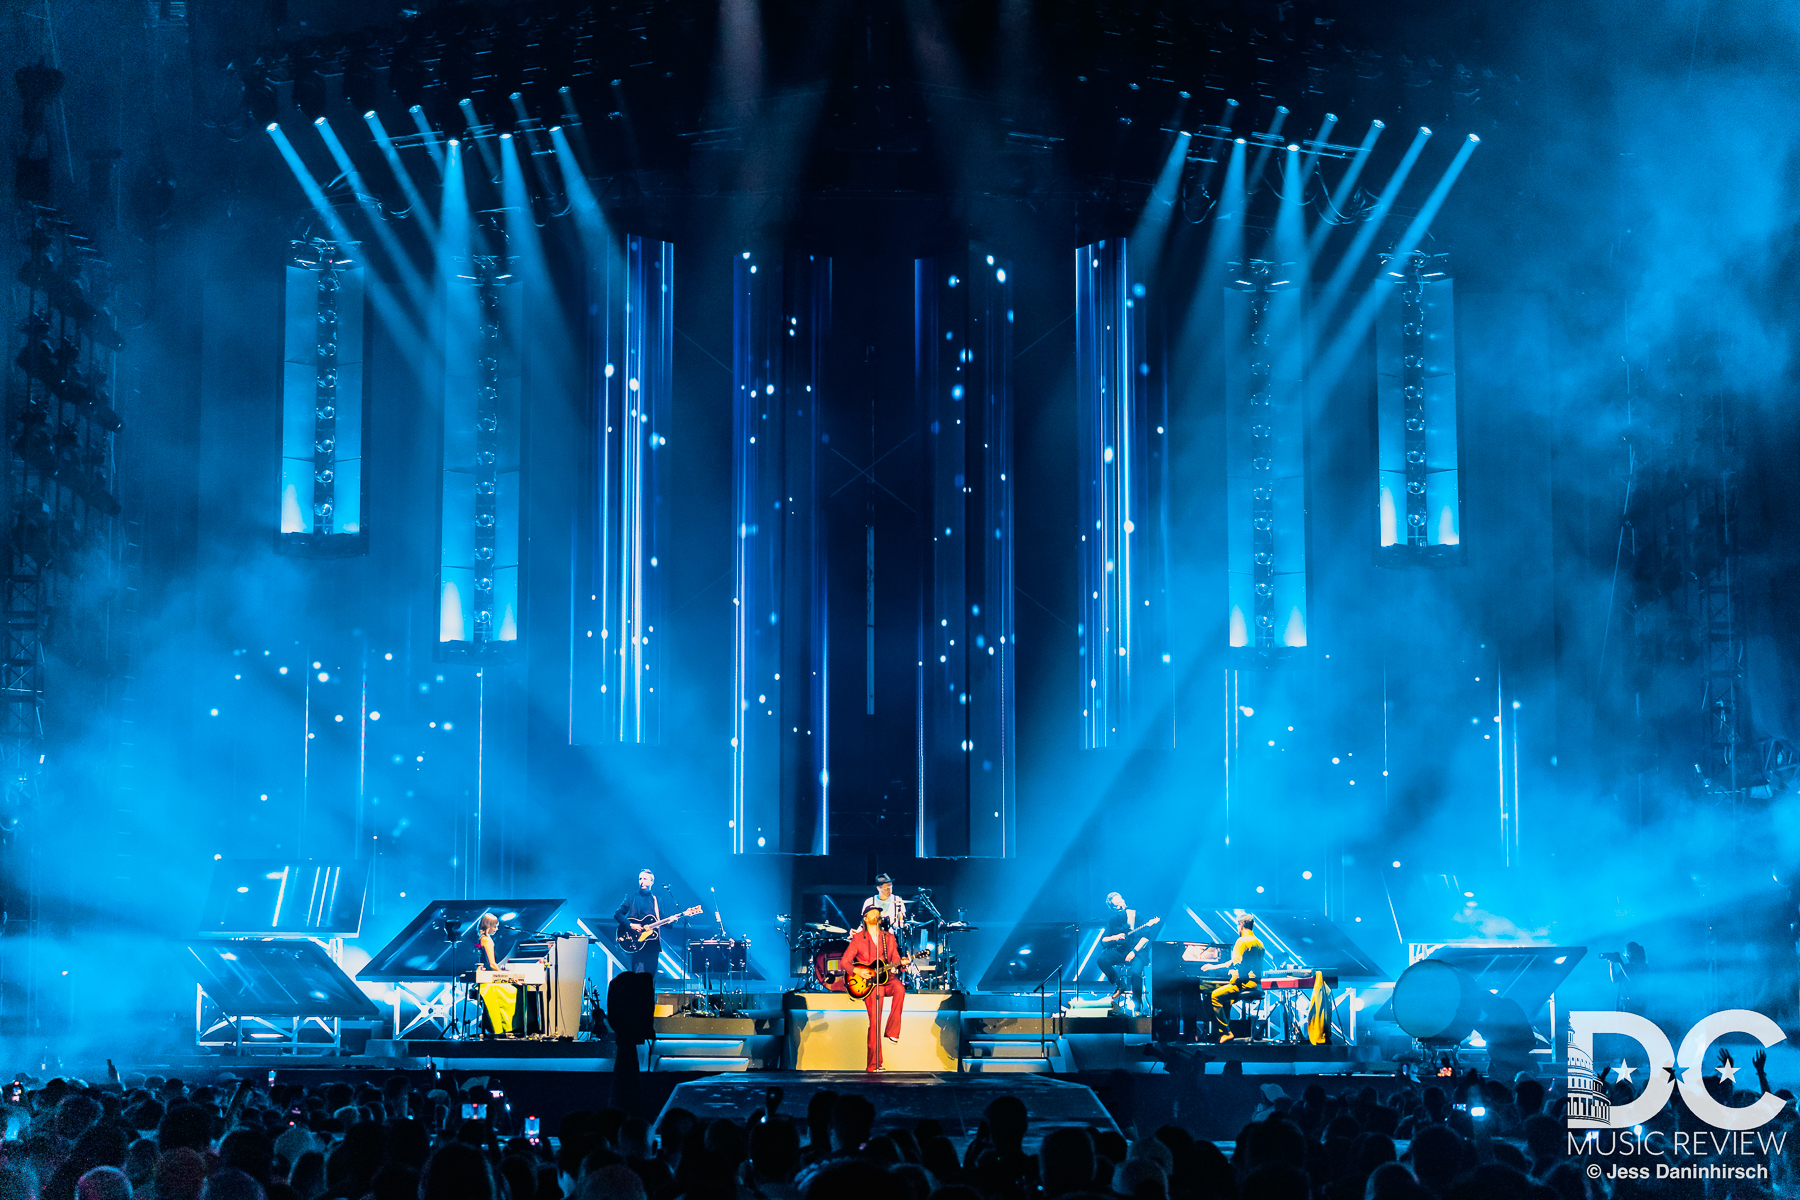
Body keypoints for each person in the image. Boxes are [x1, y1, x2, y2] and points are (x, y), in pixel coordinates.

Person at [842, 903, 906, 1072]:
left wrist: (902, 964)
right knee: (874, 1023)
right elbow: (844, 962)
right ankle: (873, 1065)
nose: (877, 914)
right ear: (865, 918)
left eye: (879, 912)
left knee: (900, 988)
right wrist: (857, 971)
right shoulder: (858, 938)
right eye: (873, 912)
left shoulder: (889, 938)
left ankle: (893, 1031)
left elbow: (895, 958)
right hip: (869, 985)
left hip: (887, 979)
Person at [1207, 912, 1266, 1042]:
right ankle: (1223, 1034)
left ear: (1241, 925)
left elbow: (1236, 962)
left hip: (1245, 984)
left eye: (1237, 926)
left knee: (1215, 996)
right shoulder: (1259, 943)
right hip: (1257, 984)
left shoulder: (1241, 941)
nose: (1237, 929)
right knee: (1226, 999)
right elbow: (1247, 963)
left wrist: (1213, 967)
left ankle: (1226, 1032)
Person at [1096, 892, 1146, 1010]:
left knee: (1135, 973)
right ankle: (1119, 984)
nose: (1120, 906)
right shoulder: (1113, 920)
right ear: (1112, 908)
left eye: (1121, 902)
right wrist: (1115, 937)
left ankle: (1138, 1008)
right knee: (1102, 960)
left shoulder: (1137, 915)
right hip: (1122, 950)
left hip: (1138, 951)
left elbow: (1146, 937)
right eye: (1117, 905)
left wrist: (1133, 951)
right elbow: (1103, 940)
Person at [476, 913, 519, 1037]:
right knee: (512, 991)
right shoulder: (487, 940)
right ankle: (505, 1028)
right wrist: (507, 977)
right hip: (487, 982)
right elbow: (492, 964)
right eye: (495, 926)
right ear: (488, 926)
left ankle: (504, 1028)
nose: (496, 928)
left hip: (486, 979)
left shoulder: (483, 938)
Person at [613, 870, 663, 975]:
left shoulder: (657, 899)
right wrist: (630, 925)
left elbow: (661, 919)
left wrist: (673, 919)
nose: (641, 881)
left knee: (650, 979)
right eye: (640, 879)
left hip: (653, 943)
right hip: (637, 941)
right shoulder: (631, 897)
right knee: (638, 977)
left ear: (651, 882)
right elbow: (618, 914)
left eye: (645, 879)